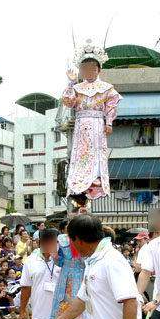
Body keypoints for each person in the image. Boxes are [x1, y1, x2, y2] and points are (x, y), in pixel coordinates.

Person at [61, 41, 122, 208]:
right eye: (85, 68)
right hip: (81, 126)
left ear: (99, 70)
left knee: (96, 157)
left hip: (96, 126)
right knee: (80, 156)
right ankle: (78, 188)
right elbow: (68, 102)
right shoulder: (78, 87)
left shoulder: (107, 88)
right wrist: (70, 83)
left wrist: (108, 122)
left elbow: (111, 106)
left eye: (92, 68)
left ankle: (95, 183)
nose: (89, 72)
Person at [18, 228, 60, 319]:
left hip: (61, 317)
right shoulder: (31, 261)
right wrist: (22, 311)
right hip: (39, 316)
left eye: (53, 242)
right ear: (39, 242)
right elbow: (26, 287)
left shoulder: (65, 261)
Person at [51, 215, 86, 319]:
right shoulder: (62, 239)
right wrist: (56, 257)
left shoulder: (87, 239)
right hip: (66, 275)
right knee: (64, 302)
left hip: (83, 273)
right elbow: (59, 261)